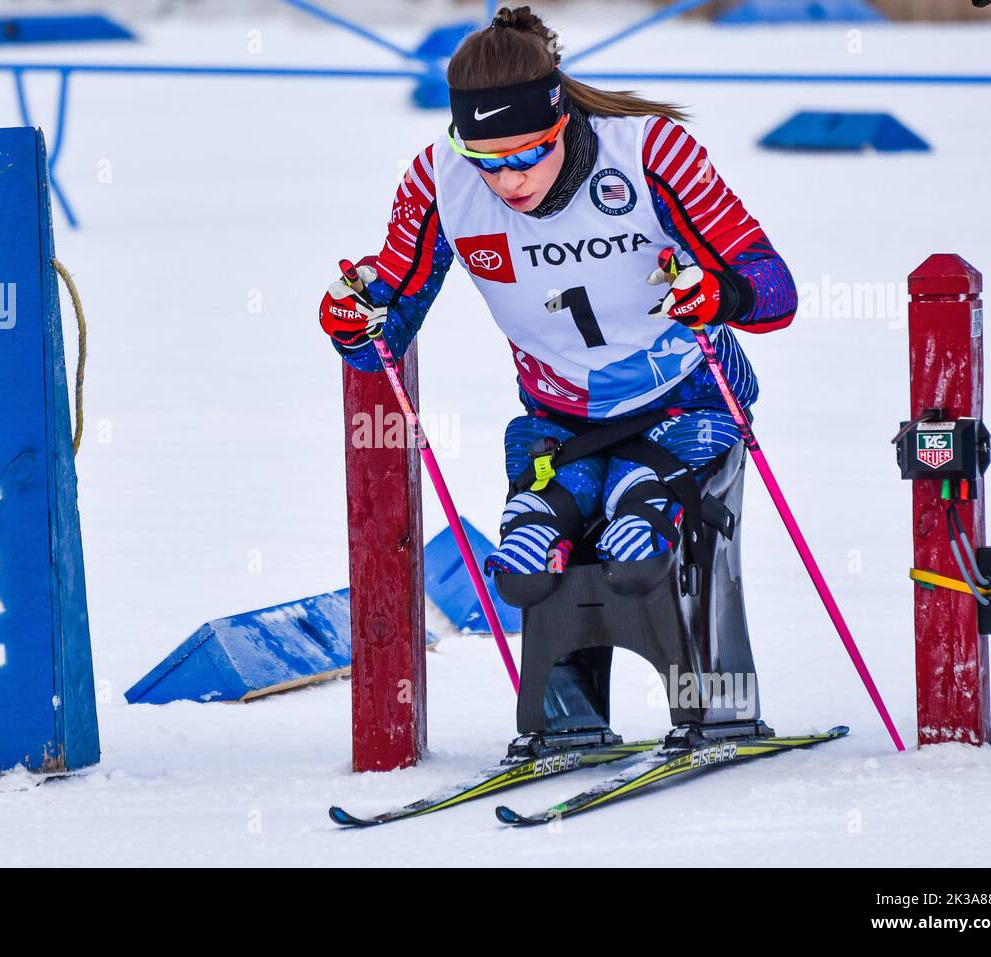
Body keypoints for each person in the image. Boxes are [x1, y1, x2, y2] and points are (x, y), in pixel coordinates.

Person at [319, 5, 797, 738]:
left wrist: (718, 292)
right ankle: (564, 718)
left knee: (650, 531)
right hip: (562, 421)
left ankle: (716, 708)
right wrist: (355, 320)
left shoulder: (648, 152)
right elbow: (390, 320)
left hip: (685, 401)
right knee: (536, 555)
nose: (507, 181)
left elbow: (773, 288)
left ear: (562, 119)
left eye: (526, 155)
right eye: (487, 158)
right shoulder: (439, 181)